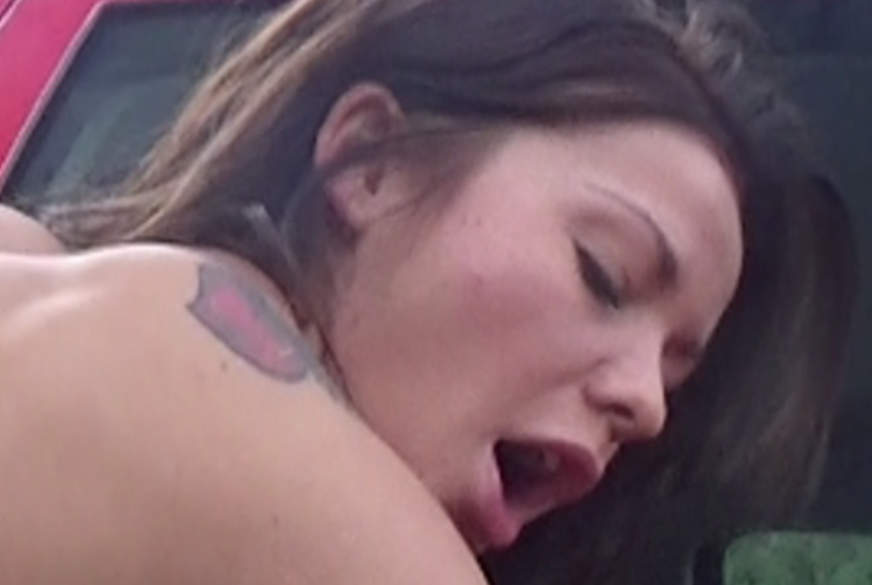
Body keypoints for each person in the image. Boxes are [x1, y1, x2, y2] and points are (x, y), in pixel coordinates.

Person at [0, 1, 857, 584]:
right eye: (604, 273)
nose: (647, 407)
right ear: (370, 162)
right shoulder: (254, 446)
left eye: (674, 374)